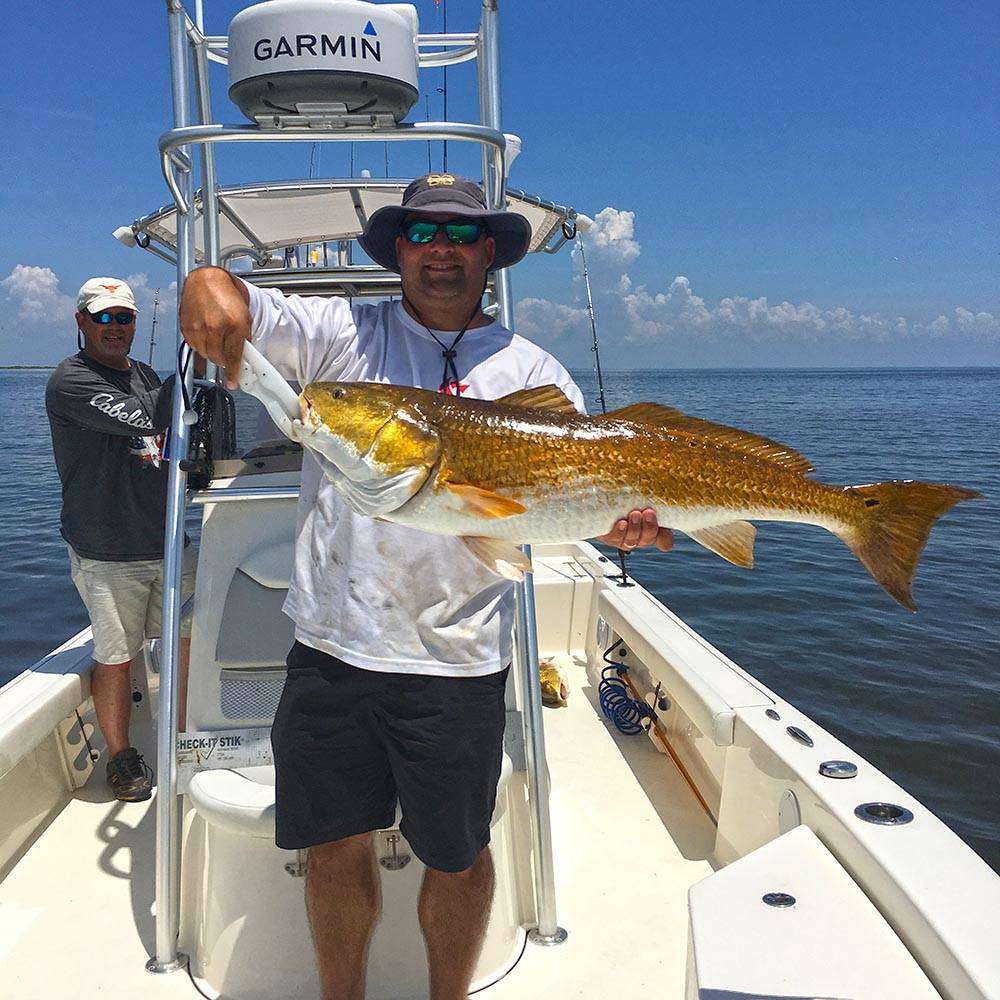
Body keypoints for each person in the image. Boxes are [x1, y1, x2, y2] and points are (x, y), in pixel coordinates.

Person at [179, 174, 672, 1000]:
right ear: (397, 250)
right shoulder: (342, 335)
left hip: (459, 663)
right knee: (334, 847)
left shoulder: (535, 371)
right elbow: (239, 303)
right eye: (420, 234)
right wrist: (204, 285)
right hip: (333, 651)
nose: (440, 250)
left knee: (459, 854)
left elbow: (573, 502)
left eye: (460, 235)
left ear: (488, 254)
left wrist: (627, 525)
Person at [46, 277, 197, 803]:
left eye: (125, 318)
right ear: (81, 322)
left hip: (165, 541)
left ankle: (184, 737)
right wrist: (195, 365)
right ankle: (121, 755)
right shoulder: (71, 381)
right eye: (104, 318)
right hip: (106, 549)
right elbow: (146, 417)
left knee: (186, 641)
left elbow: (171, 440)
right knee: (116, 656)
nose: (116, 328)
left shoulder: (146, 375)